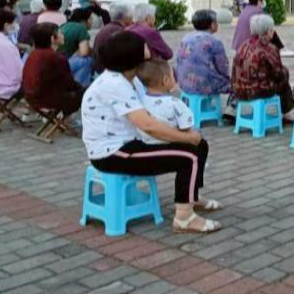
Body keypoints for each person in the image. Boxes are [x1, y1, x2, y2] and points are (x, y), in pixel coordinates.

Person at [83, 32, 220, 233]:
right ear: (133, 55)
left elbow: (151, 113)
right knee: (189, 156)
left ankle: (192, 197)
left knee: (200, 145)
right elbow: (148, 125)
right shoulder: (115, 84)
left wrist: (186, 134)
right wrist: (186, 137)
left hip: (131, 143)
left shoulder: (130, 79)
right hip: (112, 154)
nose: (149, 49)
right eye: (145, 46)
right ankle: (184, 218)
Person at [232, 14, 294, 115]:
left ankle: (286, 112)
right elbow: (278, 73)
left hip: (238, 89)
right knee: (284, 75)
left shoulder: (243, 45)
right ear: (268, 30)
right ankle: (287, 111)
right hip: (258, 91)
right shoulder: (269, 48)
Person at [23, 22, 85, 118]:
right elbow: (68, 82)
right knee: (82, 94)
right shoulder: (55, 57)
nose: (63, 35)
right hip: (47, 100)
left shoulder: (33, 54)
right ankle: (61, 116)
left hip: (30, 97)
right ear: (52, 38)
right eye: (60, 33)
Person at [177, 10, 233, 115]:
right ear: (212, 25)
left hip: (183, 82)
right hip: (202, 84)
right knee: (237, 85)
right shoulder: (214, 42)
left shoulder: (186, 38)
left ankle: (204, 107)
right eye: (216, 22)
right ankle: (231, 110)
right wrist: (227, 79)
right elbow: (222, 66)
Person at [136, 59, 195, 144]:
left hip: (147, 145)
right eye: (173, 75)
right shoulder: (175, 103)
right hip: (172, 143)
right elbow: (186, 127)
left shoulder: (139, 101)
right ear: (166, 80)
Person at [59, 7, 95, 87]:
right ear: (84, 20)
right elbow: (84, 52)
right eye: (91, 19)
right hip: (66, 63)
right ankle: (80, 87)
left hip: (58, 62)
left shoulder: (63, 25)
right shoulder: (81, 28)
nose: (92, 22)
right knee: (87, 60)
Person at [93, 3, 134, 73]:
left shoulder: (106, 28)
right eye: (131, 16)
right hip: (109, 71)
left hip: (100, 69)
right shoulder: (119, 31)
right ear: (125, 17)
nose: (132, 20)